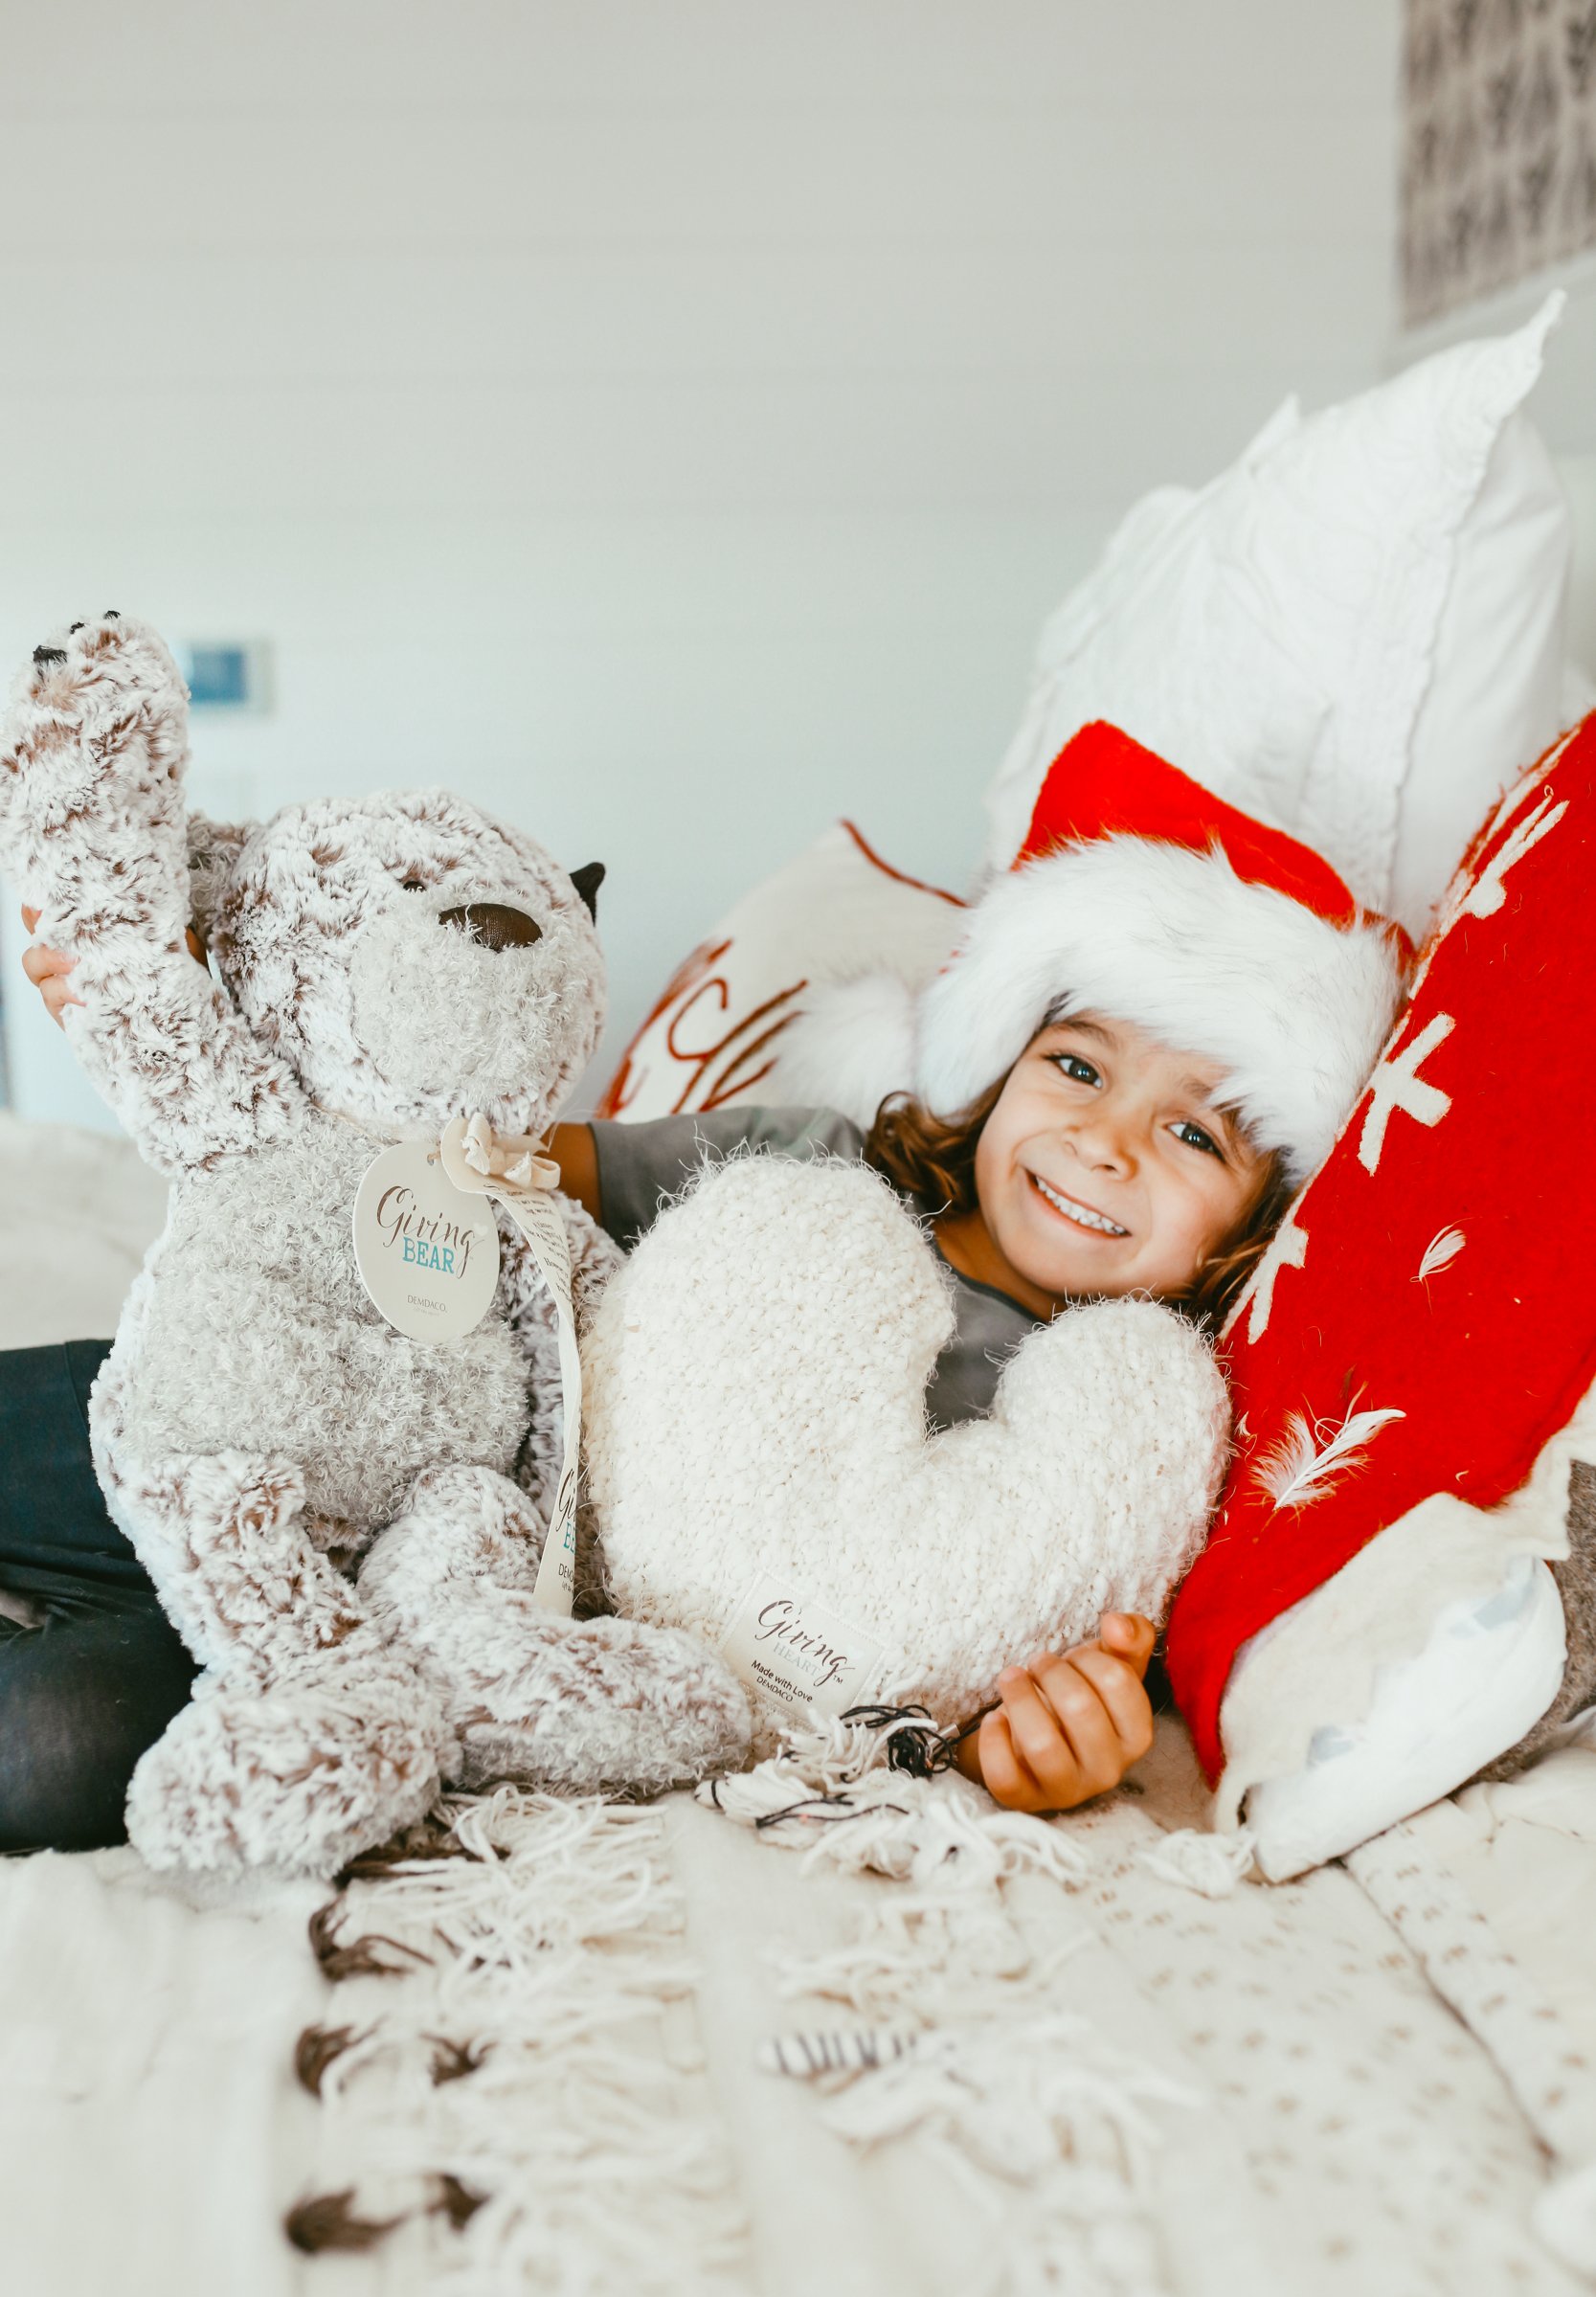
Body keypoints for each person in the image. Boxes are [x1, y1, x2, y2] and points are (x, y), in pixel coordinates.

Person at [5, 722, 1408, 1847]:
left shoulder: (1127, 1438)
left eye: (1192, 1131)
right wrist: (191, 1026)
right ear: (994, 1063)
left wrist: (1045, 1745)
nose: (1102, 1142)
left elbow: (952, 1669)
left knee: (49, 1744)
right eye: (1080, 1067)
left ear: (1250, 1222)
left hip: (487, 1630)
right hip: (384, 1412)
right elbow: (481, 1161)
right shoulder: (809, 1162)